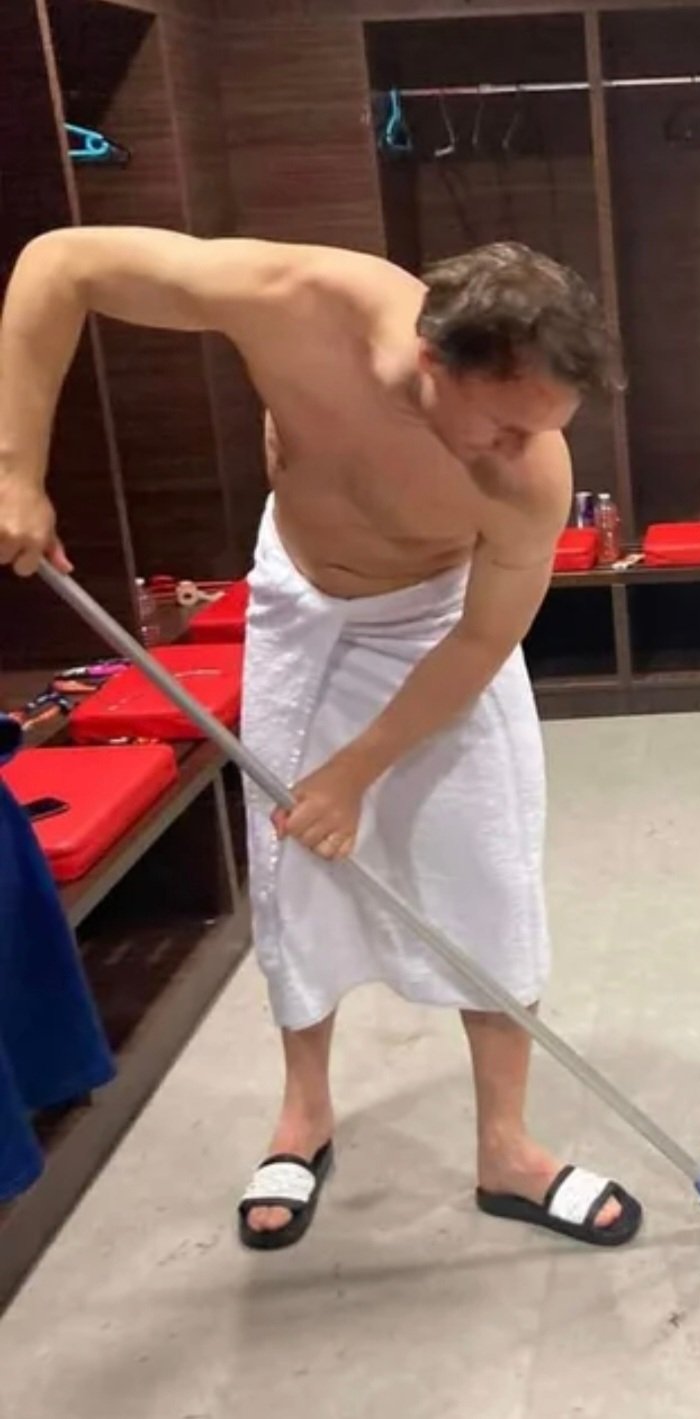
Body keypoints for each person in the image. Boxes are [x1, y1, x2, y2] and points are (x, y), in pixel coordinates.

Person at [0, 227, 642, 1251]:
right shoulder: (295, 299)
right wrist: (15, 470)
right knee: (293, 874)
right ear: (434, 361)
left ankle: (507, 1148)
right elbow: (61, 263)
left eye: (543, 428)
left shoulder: (531, 474)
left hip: (436, 620)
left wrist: (355, 773)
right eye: (506, 424)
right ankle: (303, 1116)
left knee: (488, 874)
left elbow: (482, 640)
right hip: (299, 602)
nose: (522, 451)